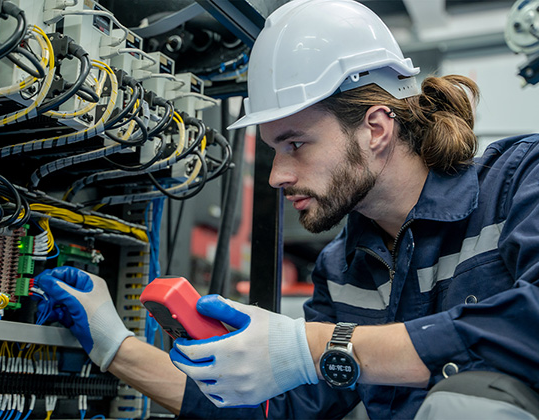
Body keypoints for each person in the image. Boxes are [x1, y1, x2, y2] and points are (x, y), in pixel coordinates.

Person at [35, 0, 539, 418]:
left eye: (295, 143)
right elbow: (276, 412)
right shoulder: (343, 268)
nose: (276, 175)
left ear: (376, 128)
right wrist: (113, 344)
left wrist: (317, 345)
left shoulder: (521, 181)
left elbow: (525, 326)